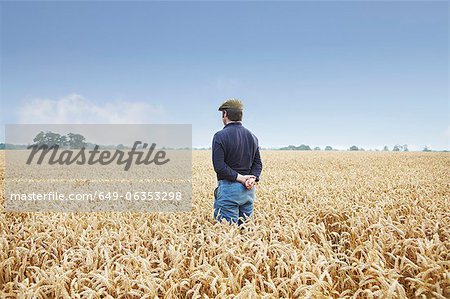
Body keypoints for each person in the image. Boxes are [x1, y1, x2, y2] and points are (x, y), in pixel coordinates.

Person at [212, 98, 263, 225]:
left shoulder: (220, 136)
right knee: (246, 234)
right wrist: (252, 179)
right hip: (248, 191)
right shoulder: (253, 136)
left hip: (229, 190)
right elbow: (258, 164)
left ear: (225, 114)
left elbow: (219, 166)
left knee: (227, 235)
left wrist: (240, 178)